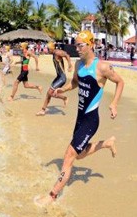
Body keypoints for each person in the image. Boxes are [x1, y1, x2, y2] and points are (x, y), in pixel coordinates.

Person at [34, 30, 124, 207]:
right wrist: (63, 90)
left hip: (91, 120)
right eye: (76, 45)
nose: (77, 48)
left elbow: (120, 82)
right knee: (80, 155)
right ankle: (106, 143)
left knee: (69, 156)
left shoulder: (103, 67)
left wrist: (114, 103)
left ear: (90, 45)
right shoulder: (78, 65)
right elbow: (75, 83)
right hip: (79, 117)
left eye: (80, 45)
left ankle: (52, 196)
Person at [36, 41, 73, 116]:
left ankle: (64, 98)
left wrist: (70, 65)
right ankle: (43, 110)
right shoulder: (53, 53)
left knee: (50, 93)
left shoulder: (57, 52)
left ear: (52, 48)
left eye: (48, 49)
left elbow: (67, 55)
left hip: (62, 78)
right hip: (58, 77)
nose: (47, 50)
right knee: (48, 93)